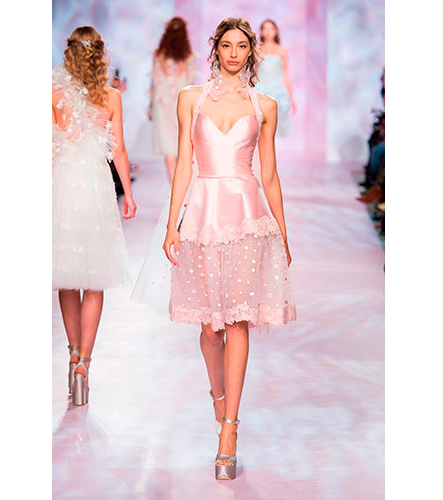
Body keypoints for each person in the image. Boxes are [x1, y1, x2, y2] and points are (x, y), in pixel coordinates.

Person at [160, 17, 296, 480]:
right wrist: (173, 223)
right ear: (215, 49)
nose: (234, 53)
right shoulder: (190, 98)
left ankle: (230, 429)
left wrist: (283, 232)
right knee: (209, 329)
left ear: (251, 52)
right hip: (202, 216)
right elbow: (183, 165)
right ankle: (218, 399)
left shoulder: (264, 105)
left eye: (242, 46)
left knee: (238, 321)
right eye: (227, 45)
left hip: (246, 218)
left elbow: (270, 174)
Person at [52, 26, 137, 406]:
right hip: (96, 187)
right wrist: (128, 194)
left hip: (62, 184)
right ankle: (85, 363)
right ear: (101, 54)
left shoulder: (51, 93)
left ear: (68, 53)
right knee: (94, 279)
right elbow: (118, 151)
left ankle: (72, 354)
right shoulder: (112, 96)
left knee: (67, 276)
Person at [149, 17, 195, 182]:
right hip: (180, 102)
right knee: (181, 140)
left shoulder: (159, 54)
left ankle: (173, 184)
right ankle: (180, 183)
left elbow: (154, 81)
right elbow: (190, 81)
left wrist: (151, 105)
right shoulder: (187, 56)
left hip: (162, 103)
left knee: (168, 143)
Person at [254, 19, 296, 136]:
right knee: (258, 127)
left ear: (276, 31)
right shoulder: (256, 50)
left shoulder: (282, 51)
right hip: (259, 90)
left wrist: (291, 97)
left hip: (277, 92)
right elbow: (253, 72)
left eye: (271, 29)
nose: (268, 32)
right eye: (265, 29)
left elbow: (285, 74)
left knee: (274, 127)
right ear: (261, 32)